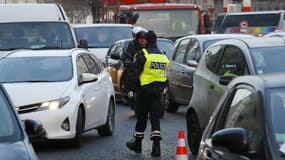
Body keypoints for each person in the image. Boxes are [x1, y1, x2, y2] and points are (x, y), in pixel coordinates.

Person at [126, 30, 170, 157]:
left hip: (144, 92)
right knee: (155, 119)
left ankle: (137, 144)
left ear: (146, 41)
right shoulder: (163, 56)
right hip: (158, 92)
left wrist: (130, 90)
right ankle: (156, 147)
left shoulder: (143, 54)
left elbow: (134, 74)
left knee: (142, 118)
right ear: (155, 41)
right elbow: (164, 75)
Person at [120, 28, 147, 117]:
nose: (142, 41)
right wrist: (128, 61)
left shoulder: (151, 46)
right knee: (129, 77)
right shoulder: (132, 45)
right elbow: (126, 55)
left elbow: (157, 54)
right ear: (137, 39)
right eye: (140, 39)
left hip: (148, 71)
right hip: (135, 70)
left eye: (144, 39)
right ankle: (129, 94)